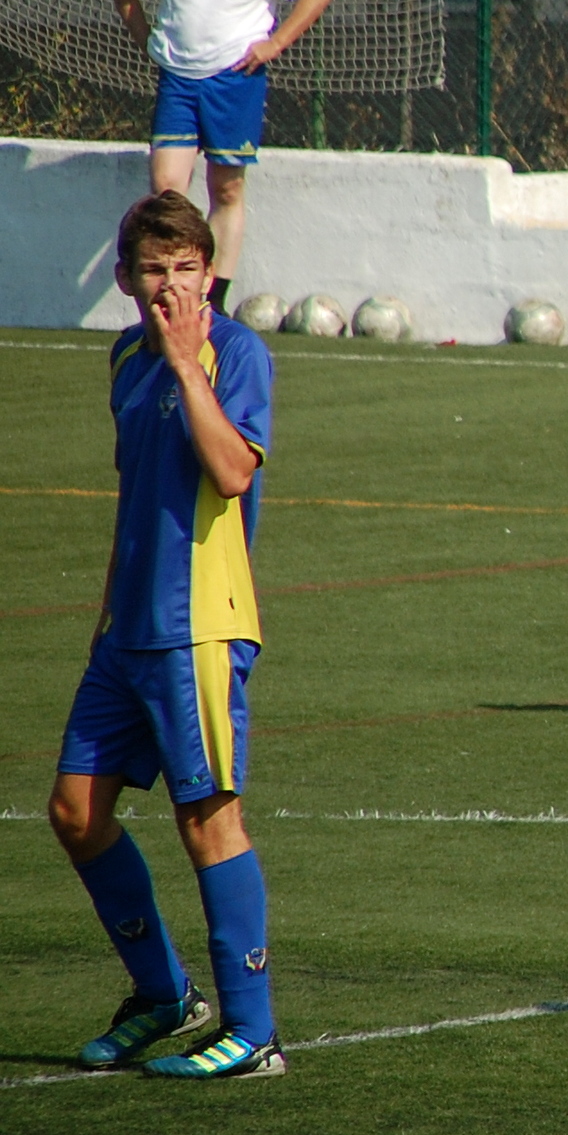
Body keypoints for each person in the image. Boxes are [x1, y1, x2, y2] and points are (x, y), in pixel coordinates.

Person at [48, 191, 282, 1079]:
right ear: (125, 279)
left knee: (207, 818)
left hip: (199, 629)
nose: (173, 287)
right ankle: (164, 995)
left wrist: (188, 365)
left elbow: (231, 473)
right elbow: (134, 492)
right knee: (76, 813)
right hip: (127, 631)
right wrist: (106, 612)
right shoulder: (122, 358)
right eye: (155, 271)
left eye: (188, 269)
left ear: (210, 274)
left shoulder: (237, 354)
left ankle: (253, 1032)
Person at [114, 0, 334, 314]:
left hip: (237, 71)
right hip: (177, 74)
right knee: (167, 189)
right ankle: (176, 296)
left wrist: (277, 43)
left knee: (227, 188)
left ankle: (213, 302)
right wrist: (148, 40)